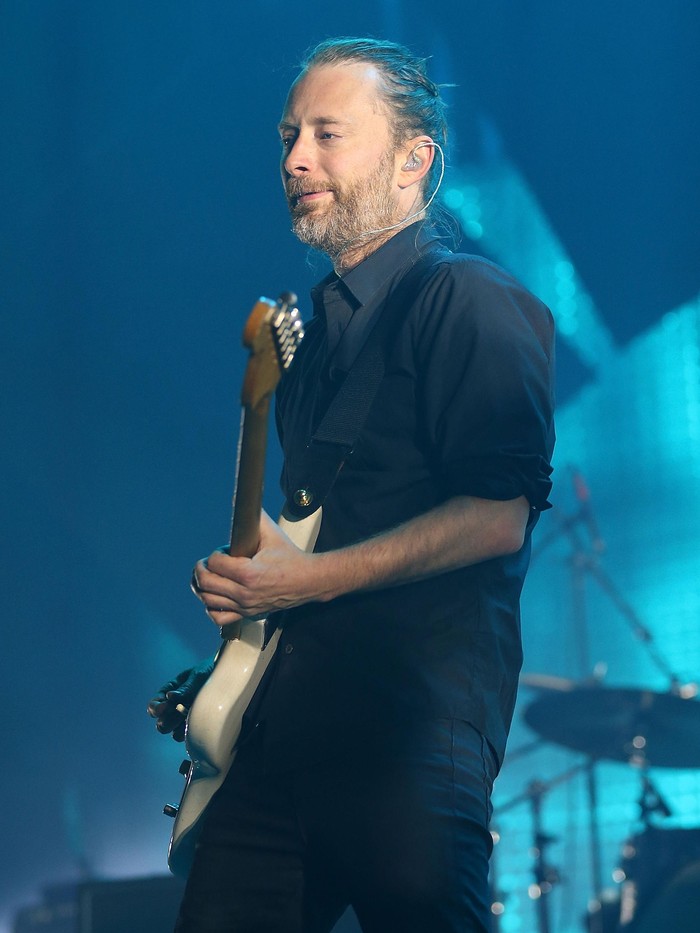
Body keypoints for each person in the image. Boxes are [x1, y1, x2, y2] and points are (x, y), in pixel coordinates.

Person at [148, 37, 555, 933]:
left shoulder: (472, 301)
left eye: (328, 134)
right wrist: (246, 604)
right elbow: (312, 541)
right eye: (290, 135)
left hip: (405, 740)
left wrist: (306, 579)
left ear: (415, 160)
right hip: (275, 744)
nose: (295, 157)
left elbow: (498, 518)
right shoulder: (313, 346)